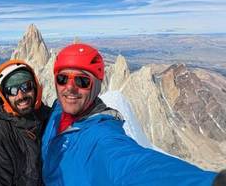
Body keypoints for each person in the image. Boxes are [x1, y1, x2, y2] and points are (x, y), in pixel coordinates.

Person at [41, 43, 224, 186]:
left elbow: (134, 165)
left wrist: (207, 182)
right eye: (62, 79)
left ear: (96, 86)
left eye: (82, 81)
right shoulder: (58, 109)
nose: (70, 88)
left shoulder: (101, 137)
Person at [0, 60, 51, 186]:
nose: (20, 96)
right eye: (12, 90)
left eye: (26, 86)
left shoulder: (51, 120)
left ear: (35, 86)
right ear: (5, 96)